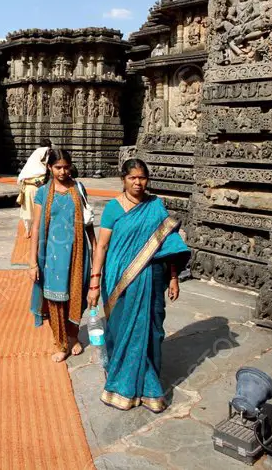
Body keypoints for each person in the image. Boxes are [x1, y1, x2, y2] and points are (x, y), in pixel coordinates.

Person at [88, 157, 191, 412]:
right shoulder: (113, 208)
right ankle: (121, 385)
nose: (137, 182)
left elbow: (169, 245)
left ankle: (148, 386)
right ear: (123, 179)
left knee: (152, 330)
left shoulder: (156, 206)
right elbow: (101, 246)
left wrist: (174, 277)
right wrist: (94, 281)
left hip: (153, 277)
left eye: (142, 177)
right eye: (132, 177)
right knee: (122, 329)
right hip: (119, 279)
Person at [28, 148, 95, 363]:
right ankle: (60, 342)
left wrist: (95, 253)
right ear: (49, 167)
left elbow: (88, 222)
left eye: (66, 167)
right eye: (58, 167)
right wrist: (32, 262)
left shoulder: (79, 188)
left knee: (76, 294)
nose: (63, 171)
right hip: (52, 254)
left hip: (77, 252)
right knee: (55, 298)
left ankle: (73, 335)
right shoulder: (43, 193)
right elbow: (36, 226)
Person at [16, 138, 53, 237]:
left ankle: (33, 230)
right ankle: (29, 230)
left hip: (37, 188)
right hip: (33, 188)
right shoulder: (43, 153)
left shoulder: (36, 155)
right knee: (31, 210)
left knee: (36, 210)